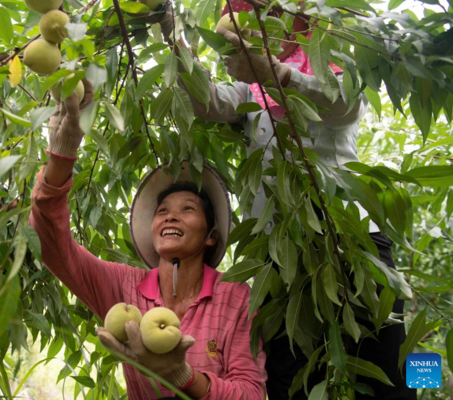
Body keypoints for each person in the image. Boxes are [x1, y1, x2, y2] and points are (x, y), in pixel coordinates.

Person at [164, 2, 415, 398]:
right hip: (279, 251)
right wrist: (171, 34)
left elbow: (342, 107)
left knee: (391, 361)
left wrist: (276, 74)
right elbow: (206, 102)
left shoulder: (328, 60)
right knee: (287, 373)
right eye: (247, 19)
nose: (255, 26)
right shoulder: (249, 90)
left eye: (263, 16)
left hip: (350, 236)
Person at [29, 80, 267, 398]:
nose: (170, 216)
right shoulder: (124, 289)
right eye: (163, 211)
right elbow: (50, 245)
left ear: (212, 237)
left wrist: (182, 376)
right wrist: (61, 156)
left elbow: (251, 393)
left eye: (187, 209)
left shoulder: (235, 297)